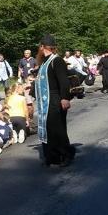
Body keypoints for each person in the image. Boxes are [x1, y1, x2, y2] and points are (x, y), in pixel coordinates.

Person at [33, 34, 75, 167]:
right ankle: (53, 156)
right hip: (46, 102)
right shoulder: (45, 62)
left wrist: (65, 98)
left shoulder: (56, 61)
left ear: (42, 47)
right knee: (48, 129)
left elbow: (63, 81)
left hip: (56, 99)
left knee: (58, 129)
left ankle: (66, 154)